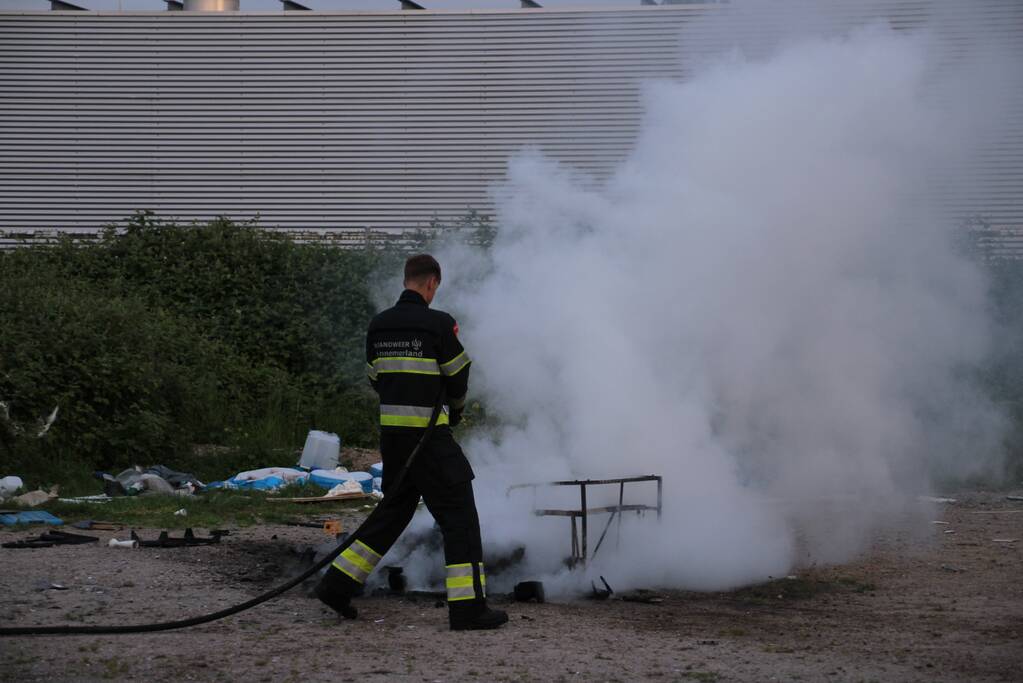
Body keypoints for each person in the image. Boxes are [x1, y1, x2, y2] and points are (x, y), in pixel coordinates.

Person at [315, 254, 509, 631]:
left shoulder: (379, 325)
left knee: (391, 516)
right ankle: (469, 608)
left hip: (394, 440)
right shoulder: (439, 324)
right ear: (432, 283)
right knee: (460, 519)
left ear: (407, 280)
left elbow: (375, 377)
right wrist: (455, 410)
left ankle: (336, 585)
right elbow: (458, 373)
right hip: (431, 441)